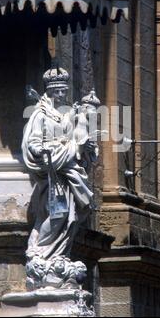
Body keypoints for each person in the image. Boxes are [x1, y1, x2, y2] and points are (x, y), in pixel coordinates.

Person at [22, 66, 98, 264]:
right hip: (52, 166)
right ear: (50, 91)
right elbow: (33, 140)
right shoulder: (40, 114)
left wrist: (86, 142)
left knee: (70, 216)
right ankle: (39, 249)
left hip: (68, 165)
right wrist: (40, 150)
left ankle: (57, 252)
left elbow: (78, 135)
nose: (63, 94)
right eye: (58, 91)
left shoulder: (67, 114)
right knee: (59, 212)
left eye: (65, 90)